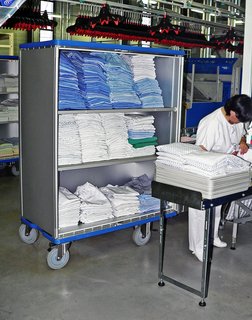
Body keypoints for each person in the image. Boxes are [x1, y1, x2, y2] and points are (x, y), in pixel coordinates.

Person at [189, 94, 252, 262]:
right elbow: (200, 153)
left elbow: (241, 134)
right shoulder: (211, 123)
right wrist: (224, 156)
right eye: (238, 120)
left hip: (224, 169)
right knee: (200, 211)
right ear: (231, 112)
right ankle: (197, 247)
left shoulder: (237, 118)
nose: (239, 123)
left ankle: (213, 236)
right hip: (206, 171)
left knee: (217, 206)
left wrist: (242, 143)